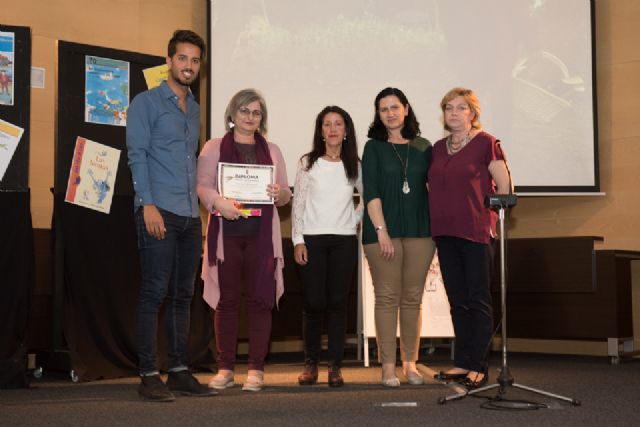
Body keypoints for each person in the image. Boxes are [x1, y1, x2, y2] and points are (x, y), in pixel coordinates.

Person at [126, 29, 215, 402]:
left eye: (195, 60)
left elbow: (189, 163)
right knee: (153, 294)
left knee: (182, 296)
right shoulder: (145, 103)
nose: (189, 66)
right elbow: (137, 155)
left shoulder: (194, 109)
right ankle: (148, 374)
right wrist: (146, 203)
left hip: (188, 217)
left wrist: (201, 218)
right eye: (183, 58)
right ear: (169, 61)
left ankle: (178, 371)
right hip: (157, 210)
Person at [197, 88, 291, 392]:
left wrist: (281, 194)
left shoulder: (273, 150)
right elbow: (201, 186)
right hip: (227, 237)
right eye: (244, 111)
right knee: (226, 302)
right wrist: (217, 202)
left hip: (261, 239)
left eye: (256, 112)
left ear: (262, 118)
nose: (250, 117)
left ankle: (255, 370)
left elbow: (286, 194)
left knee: (260, 301)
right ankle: (225, 368)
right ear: (232, 114)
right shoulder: (213, 148)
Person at [428, 87, 511, 389]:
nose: (454, 113)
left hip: (475, 231)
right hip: (445, 233)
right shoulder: (437, 147)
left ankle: (479, 365)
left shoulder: (486, 144)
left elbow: (503, 185)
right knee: (457, 301)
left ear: (472, 113)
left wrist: (494, 221)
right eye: (448, 107)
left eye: (461, 107)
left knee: (478, 300)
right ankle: (463, 362)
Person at [362, 87, 436, 387]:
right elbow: (371, 192)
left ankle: (410, 364)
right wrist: (382, 232)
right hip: (382, 233)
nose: (390, 113)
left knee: (412, 299)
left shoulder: (424, 146)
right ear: (378, 115)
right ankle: (388, 367)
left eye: (395, 107)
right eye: (383, 109)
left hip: (421, 231)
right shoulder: (373, 147)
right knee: (387, 297)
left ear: (406, 109)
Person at [292, 106, 362, 387]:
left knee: (337, 304)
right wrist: (298, 239)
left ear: (346, 131)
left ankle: (335, 366)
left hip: (344, 241)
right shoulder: (308, 163)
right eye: (327, 124)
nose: (332, 129)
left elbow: (368, 201)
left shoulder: (354, 164)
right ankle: (311, 364)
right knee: (314, 303)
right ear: (320, 130)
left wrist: (352, 220)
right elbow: (298, 204)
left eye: (338, 124)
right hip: (311, 239)